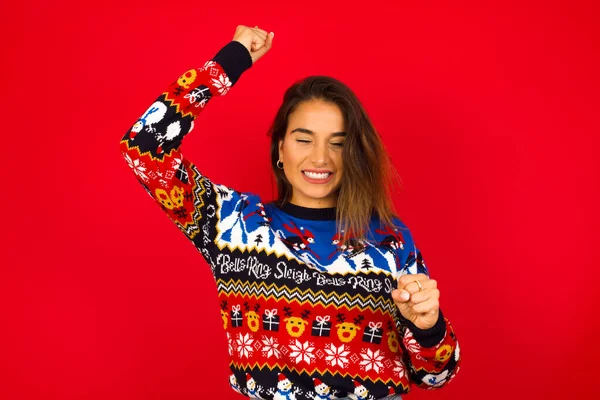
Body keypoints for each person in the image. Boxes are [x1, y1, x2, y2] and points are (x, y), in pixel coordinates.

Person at [120, 25, 461, 400]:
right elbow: (144, 148)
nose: (320, 157)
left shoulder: (389, 240)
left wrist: (428, 327)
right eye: (303, 139)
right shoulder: (233, 223)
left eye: (338, 143)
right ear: (280, 149)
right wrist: (229, 62)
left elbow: (436, 375)